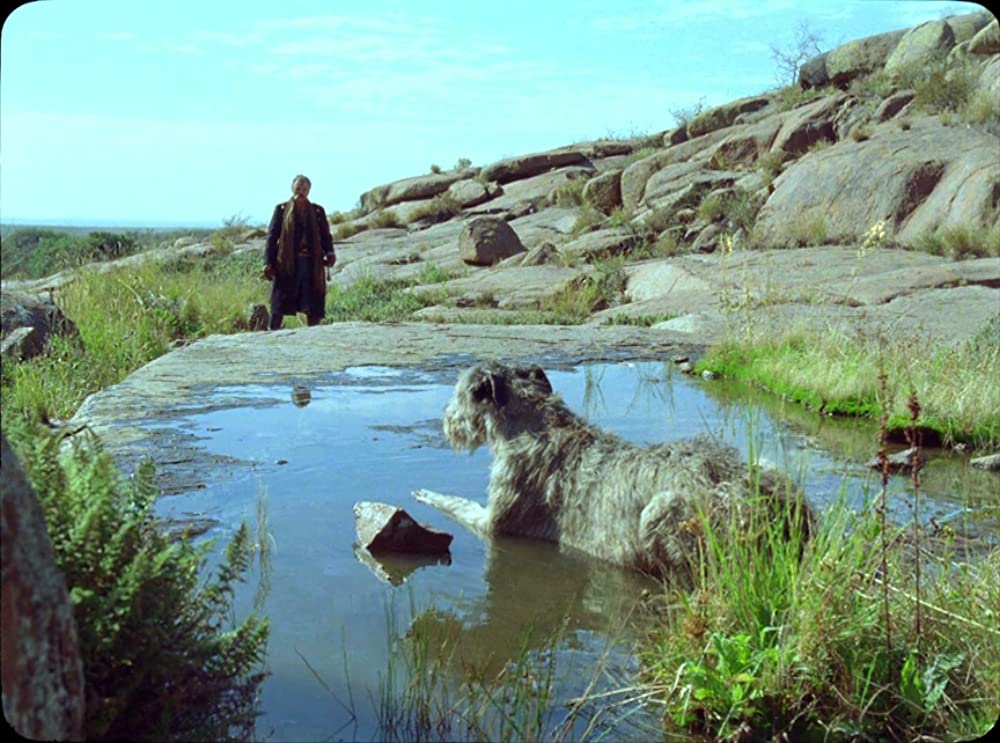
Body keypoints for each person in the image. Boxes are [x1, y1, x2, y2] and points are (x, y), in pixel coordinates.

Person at [263, 175, 336, 329]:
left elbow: (325, 236)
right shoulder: (282, 210)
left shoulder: (317, 211)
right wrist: (268, 262)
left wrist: (329, 252)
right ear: (292, 189)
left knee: (312, 301)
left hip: (311, 262)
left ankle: (314, 334)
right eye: (298, 188)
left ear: (309, 191)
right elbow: (272, 237)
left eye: (304, 189)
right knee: (280, 302)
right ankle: (272, 332)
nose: (301, 192)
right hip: (287, 262)